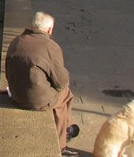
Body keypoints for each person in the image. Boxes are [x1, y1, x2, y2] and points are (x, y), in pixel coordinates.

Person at [5, 11, 79, 156]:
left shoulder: (17, 41)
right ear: (50, 30)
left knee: (54, 92)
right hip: (33, 100)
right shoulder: (51, 46)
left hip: (15, 94)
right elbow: (61, 82)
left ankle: (66, 129)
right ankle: (62, 143)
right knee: (65, 94)